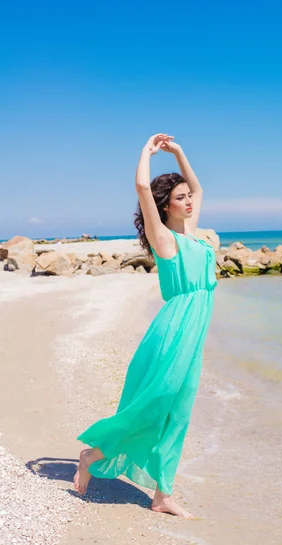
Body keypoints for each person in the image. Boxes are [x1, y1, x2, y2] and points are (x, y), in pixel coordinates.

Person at [74, 133, 217, 518]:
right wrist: (147, 153)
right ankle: (91, 454)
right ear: (165, 207)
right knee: (153, 407)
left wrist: (181, 152)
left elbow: (200, 188)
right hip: (173, 333)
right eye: (180, 198)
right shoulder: (165, 239)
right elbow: (141, 186)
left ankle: (162, 496)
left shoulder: (196, 235)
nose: (188, 201)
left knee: (179, 413)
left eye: (188, 197)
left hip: (195, 333)